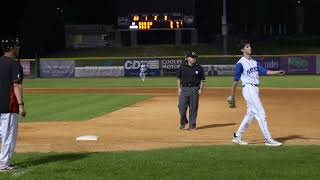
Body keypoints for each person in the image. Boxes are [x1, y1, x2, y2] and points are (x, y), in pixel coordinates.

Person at [228, 41, 285, 146]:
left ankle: (237, 137)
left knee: (250, 115)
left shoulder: (254, 62)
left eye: (249, 46)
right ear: (242, 50)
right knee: (260, 113)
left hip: (255, 90)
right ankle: (268, 140)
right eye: (247, 47)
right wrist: (232, 95)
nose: (250, 48)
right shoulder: (240, 63)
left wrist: (277, 72)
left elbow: (264, 71)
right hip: (249, 89)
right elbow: (235, 80)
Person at [0, 37, 26, 171]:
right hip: (8, 106)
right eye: (17, 46)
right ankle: (4, 164)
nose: (18, 48)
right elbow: (16, 85)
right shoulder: (14, 64)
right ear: (11, 48)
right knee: (8, 135)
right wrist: (21, 105)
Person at [177, 51, 205, 130]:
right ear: (188, 58)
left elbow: (202, 80)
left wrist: (201, 89)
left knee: (193, 108)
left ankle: (192, 125)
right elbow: (178, 78)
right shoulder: (182, 67)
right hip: (184, 89)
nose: (194, 59)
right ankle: (184, 121)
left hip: (195, 89)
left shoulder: (199, 68)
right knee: (181, 107)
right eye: (192, 57)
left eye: (195, 57)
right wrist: (179, 88)